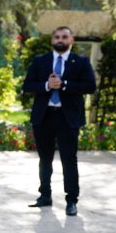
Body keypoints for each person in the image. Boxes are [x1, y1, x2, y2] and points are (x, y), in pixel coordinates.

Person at [23, 26, 97, 216]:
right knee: (45, 159)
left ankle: (71, 200)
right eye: (56, 37)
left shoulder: (80, 62)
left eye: (64, 37)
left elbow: (90, 86)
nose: (60, 40)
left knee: (69, 160)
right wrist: (47, 85)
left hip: (68, 118)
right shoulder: (41, 61)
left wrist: (64, 85)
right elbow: (27, 85)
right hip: (44, 116)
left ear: (71, 40)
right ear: (52, 40)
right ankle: (44, 196)